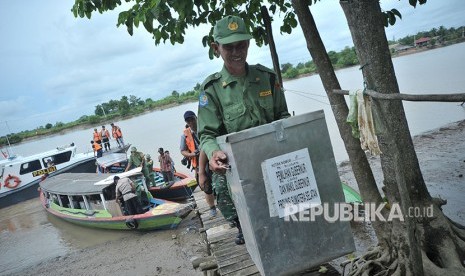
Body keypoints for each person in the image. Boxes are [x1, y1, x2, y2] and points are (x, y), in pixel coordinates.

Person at [198, 15, 290, 245]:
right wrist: (212, 154)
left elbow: (283, 116)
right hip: (236, 162)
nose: (237, 51)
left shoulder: (266, 77)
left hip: (271, 155)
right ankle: (242, 225)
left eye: (242, 45)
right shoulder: (212, 90)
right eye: (229, 47)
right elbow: (207, 135)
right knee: (221, 185)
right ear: (216, 48)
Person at [180, 110, 217, 217]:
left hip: (211, 158)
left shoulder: (205, 127)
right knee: (205, 186)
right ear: (186, 122)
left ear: (196, 118)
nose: (191, 122)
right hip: (199, 163)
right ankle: (212, 207)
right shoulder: (185, 136)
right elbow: (182, 151)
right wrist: (192, 154)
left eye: (192, 119)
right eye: (188, 120)